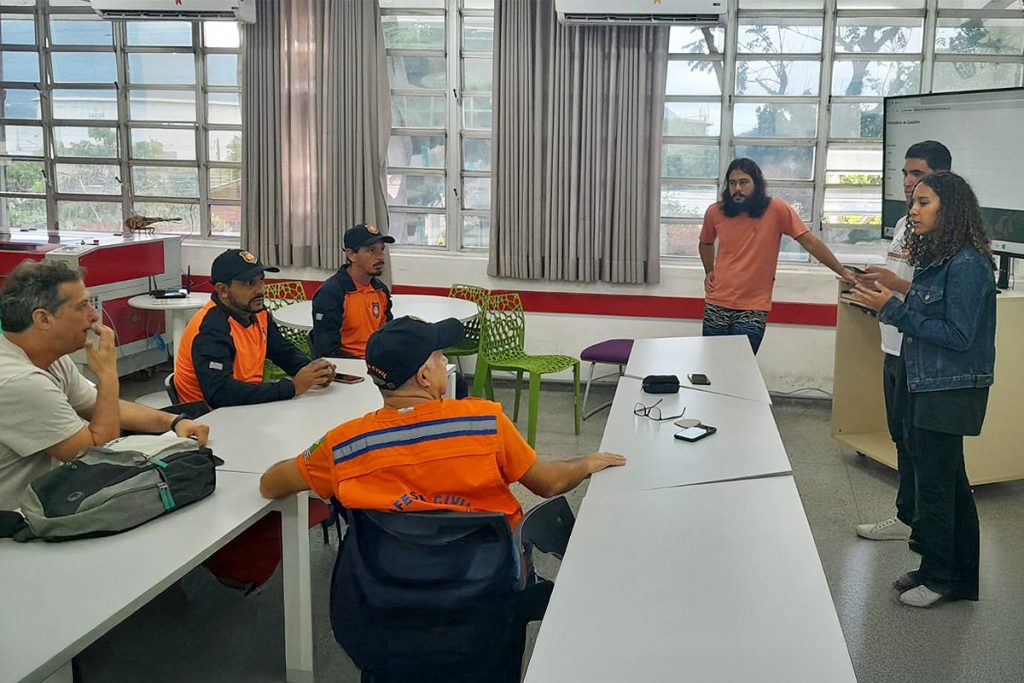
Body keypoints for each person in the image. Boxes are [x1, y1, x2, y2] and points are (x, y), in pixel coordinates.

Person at [260, 316, 625, 528]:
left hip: (391, 586)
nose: (444, 363)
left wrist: (310, 458)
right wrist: (586, 462)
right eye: (439, 357)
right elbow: (549, 483)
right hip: (485, 579)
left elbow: (270, 484)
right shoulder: (485, 422)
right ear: (424, 375)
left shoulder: (344, 444)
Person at [849, 171, 995, 608]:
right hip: (929, 382)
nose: (913, 210)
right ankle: (954, 575)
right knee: (948, 483)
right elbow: (930, 309)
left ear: (951, 209)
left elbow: (958, 335)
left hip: (948, 387)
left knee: (936, 487)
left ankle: (939, 576)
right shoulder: (942, 258)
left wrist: (891, 309)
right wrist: (889, 298)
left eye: (923, 202)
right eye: (913, 201)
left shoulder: (967, 263)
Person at [0, 260, 209, 509]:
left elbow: (100, 406)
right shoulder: (20, 381)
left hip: (45, 504)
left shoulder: (51, 360)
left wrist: (174, 422)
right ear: (43, 318)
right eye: (82, 306)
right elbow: (94, 453)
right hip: (16, 521)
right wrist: (108, 373)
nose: (94, 315)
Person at [855, 141, 952, 547]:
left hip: (917, 348)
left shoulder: (943, 233)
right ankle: (908, 516)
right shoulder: (903, 222)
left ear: (941, 179)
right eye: (905, 174)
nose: (908, 182)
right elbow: (900, 277)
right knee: (900, 435)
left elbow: (931, 295)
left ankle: (917, 523)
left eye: (918, 174)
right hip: (892, 343)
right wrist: (878, 278)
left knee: (917, 443)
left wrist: (893, 284)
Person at [699, 158, 856, 353]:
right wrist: (709, 271)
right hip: (717, 303)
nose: (737, 188)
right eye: (732, 183)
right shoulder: (715, 212)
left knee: (741, 362)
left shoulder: (776, 210)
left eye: (744, 182)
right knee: (714, 363)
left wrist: (841, 270)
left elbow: (809, 242)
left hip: (753, 307)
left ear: (756, 184)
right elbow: (705, 243)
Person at [173, 249, 336, 408]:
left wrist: (313, 371)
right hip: (208, 417)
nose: (261, 290)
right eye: (249, 283)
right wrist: (292, 387)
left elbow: (281, 351)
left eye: (261, 280)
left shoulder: (257, 312)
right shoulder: (211, 329)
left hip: (245, 407)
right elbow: (219, 394)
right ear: (223, 290)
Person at [310, 224, 394, 359]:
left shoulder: (380, 290)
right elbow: (327, 351)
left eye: (382, 249)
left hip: (377, 362)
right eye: (372, 250)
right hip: (347, 366)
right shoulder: (331, 294)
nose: (381, 257)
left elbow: (387, 335)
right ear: (351, 255)